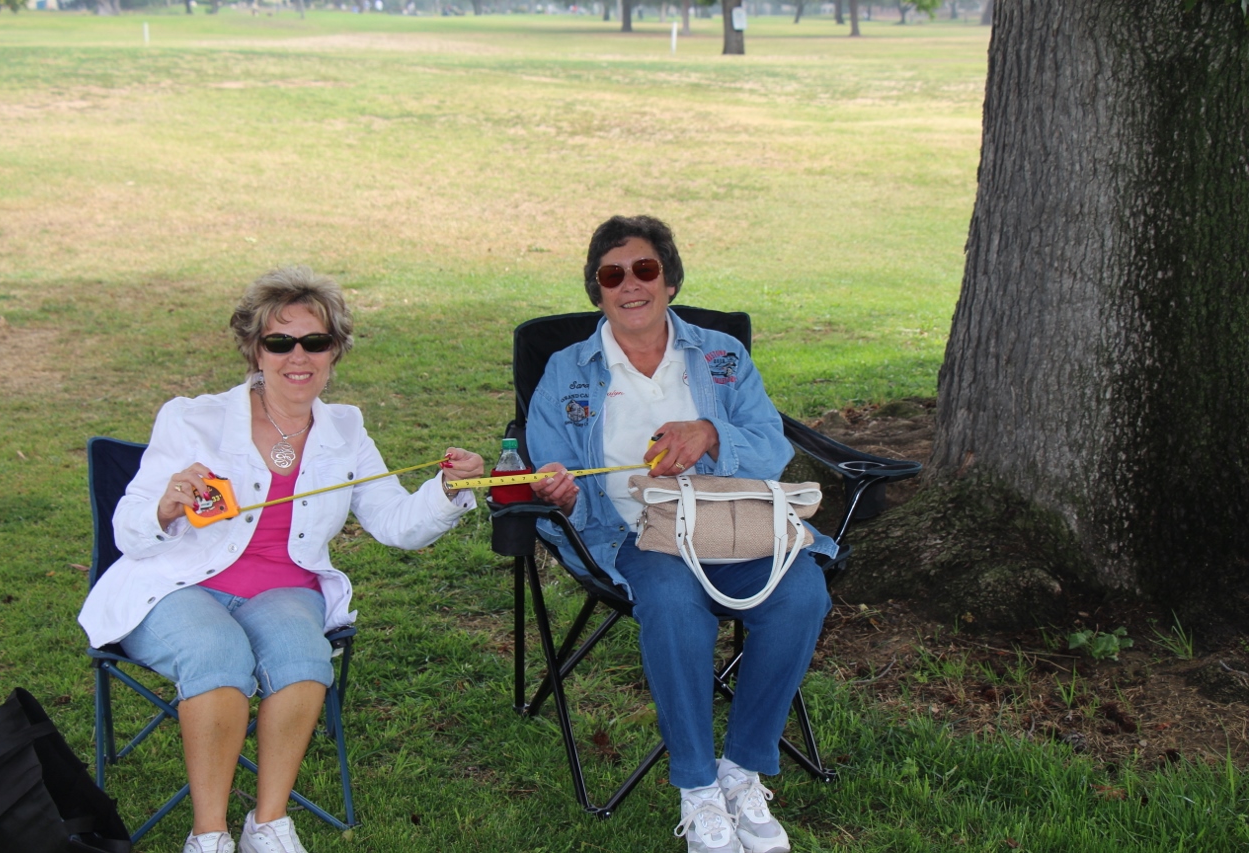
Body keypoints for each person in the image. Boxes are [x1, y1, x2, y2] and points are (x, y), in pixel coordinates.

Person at [78, 266, 484, 853]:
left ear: (335, 350)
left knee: (301, 654)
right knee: (217, 651)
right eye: (279, 341)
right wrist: (165, 506)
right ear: (255, 349)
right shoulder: (192, 418)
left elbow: (395, 524)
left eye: (315, 341)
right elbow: (129, 529)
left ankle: (268, 824)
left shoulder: (345, 429)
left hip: (285, 590)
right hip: (179, 583)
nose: (299, 356)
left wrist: (448, 490)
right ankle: (209, 834)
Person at [527, 216, 834, 853]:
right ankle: (698, 790)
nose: (630, 285)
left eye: (645, 270)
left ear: (670, 279)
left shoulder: (721, 354)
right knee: (671, 604)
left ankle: (741, 772)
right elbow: (553, 468)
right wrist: (557, 490)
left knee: (801, 594)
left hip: (732, 525)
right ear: (597, 288)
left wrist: (711, 434)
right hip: (633, 534)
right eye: (612, 275)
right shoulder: (566, 369)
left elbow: (773, 447)